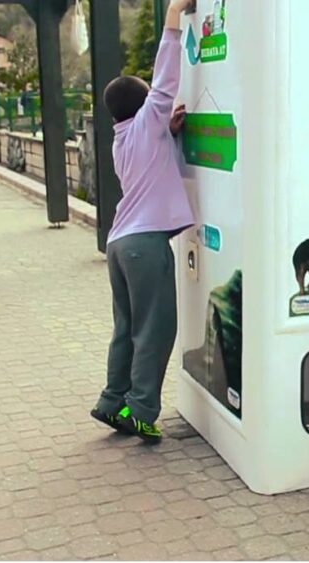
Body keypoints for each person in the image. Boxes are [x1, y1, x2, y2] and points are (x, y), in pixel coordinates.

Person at [90, 0, 195, 444]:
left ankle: (112, 403)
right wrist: (173, 15)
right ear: (143, 104)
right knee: (155, 329)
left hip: (118, 245)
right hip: (145, 246)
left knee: (127, 329)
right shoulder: (148, 120)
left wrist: (166, 132)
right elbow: (167, 74)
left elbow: (149, 156)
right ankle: (143, 410)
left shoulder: (121, 140)